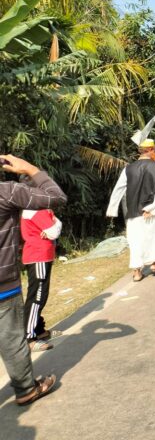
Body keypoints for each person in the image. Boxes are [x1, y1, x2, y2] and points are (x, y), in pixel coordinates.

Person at [0, 154, 66, 406]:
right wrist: (29, 169)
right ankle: (26, 388)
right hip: (6, 281)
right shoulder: (8, 193)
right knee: (12, 338)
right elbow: (57, 197)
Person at [106, 139, 155, 282]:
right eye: (154, 149)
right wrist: (152, 209)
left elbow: (118, 189)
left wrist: (112, 209)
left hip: (134, 213)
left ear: (140, 151)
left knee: (136, 242)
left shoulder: (128, 168)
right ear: (151, 149)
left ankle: (137, 272)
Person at [21, 207, 62, 352]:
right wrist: (55, 224)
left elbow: (55, 227)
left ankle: (39, 330)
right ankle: (29, 338)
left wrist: (55, 225)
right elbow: (54, 231)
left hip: (42, 255)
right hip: (38, 256)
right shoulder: (35, 210)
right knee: (37, 297)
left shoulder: (41, 209)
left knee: (40, 295)